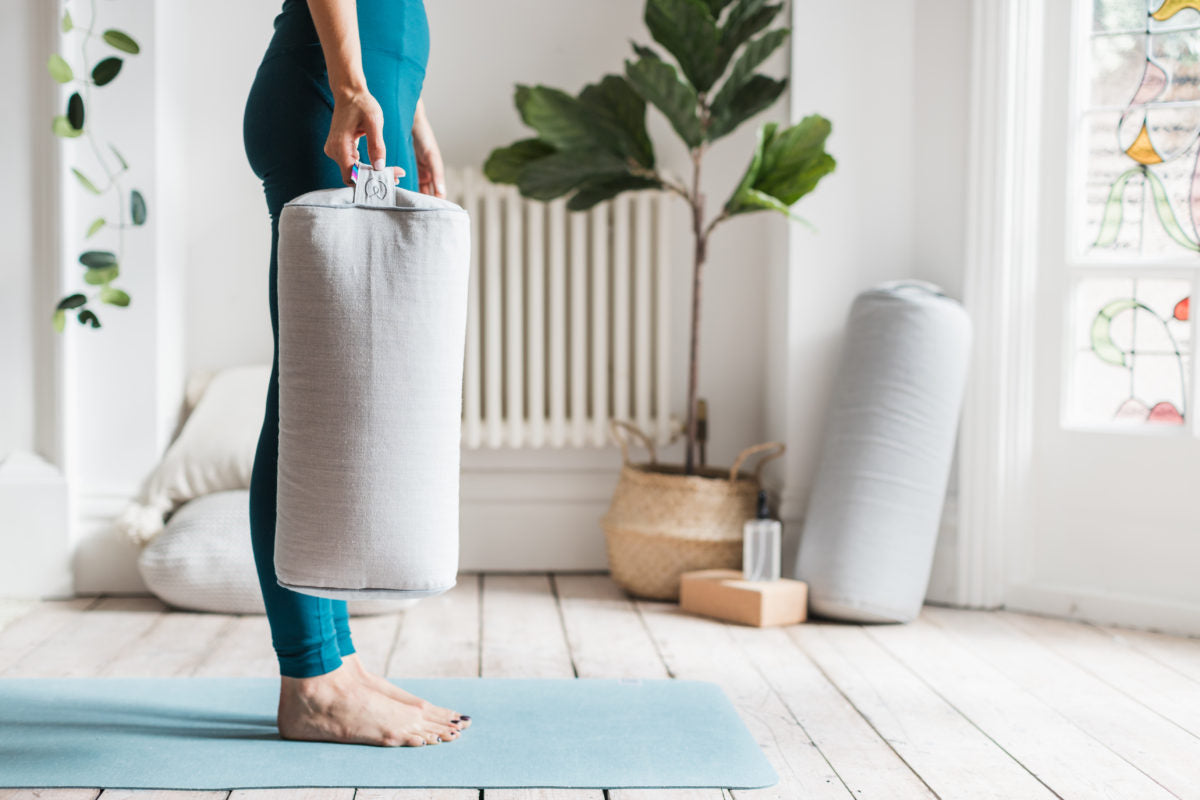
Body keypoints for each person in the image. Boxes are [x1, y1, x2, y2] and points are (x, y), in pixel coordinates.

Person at [242, 0, 468, 747]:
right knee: (313, 399)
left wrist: (415, 117)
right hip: (326, 97)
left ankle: (336, 663)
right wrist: (348, 87)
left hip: (359, 92)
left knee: (323, 395)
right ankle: (311, 683)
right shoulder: (339, 88)